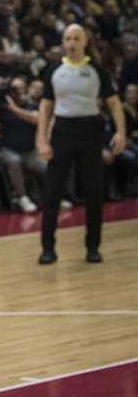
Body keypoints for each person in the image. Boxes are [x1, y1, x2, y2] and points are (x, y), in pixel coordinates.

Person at [36, 24, 126, 264]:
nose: (72, 43)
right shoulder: (54, 70)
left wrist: (121, 131)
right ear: (63, 42)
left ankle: (93, 247)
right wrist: (42, 139)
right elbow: (45, 107)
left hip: (90, 130)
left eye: (76, 38)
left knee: (94, 190)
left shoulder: (97, 69)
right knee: (53, 191)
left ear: (85, 41)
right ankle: (47, 248)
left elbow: (114, 102)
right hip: (63, 130)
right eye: (68, 38)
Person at [0, 76, 46, 213]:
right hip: (7, 150)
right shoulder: (0, 109)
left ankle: (53, 197)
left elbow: (36, 119)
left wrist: (13, 108)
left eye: (18, 89)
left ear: (25, 90)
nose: (15, 92)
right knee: (14, 160)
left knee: (50, 167)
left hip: (31, 152)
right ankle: (22, 197)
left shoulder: (32, 105)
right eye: (13, 89)